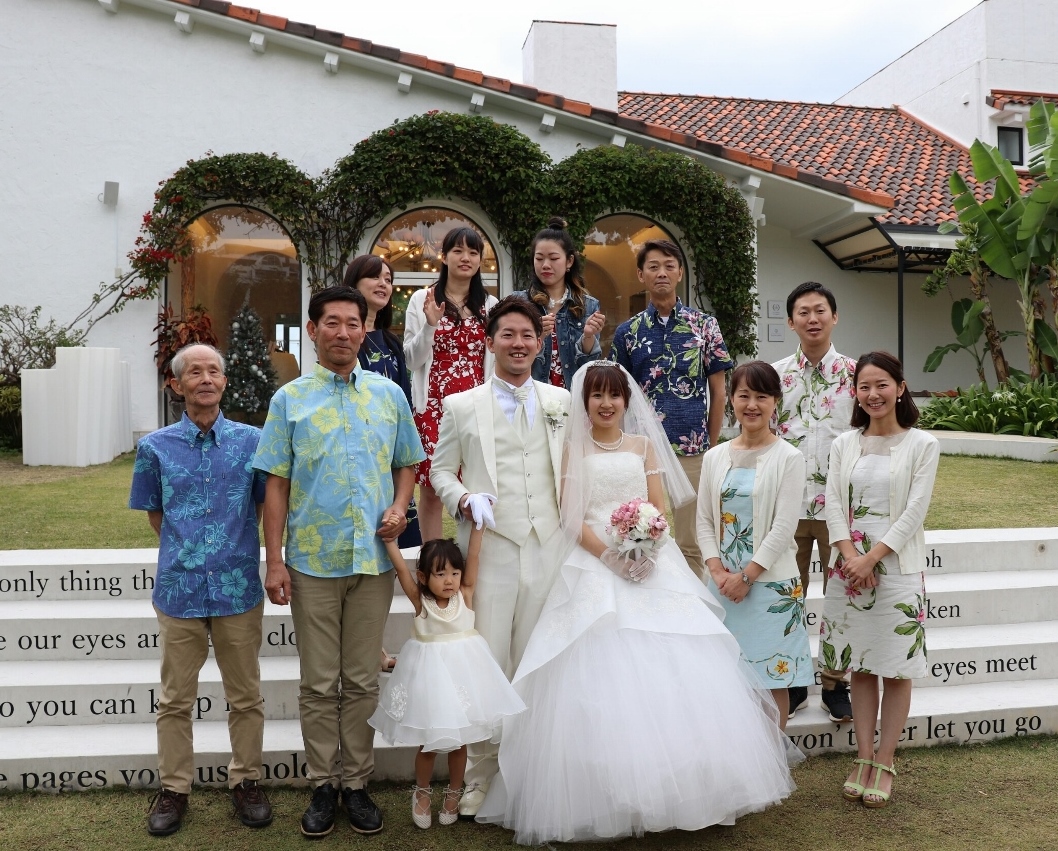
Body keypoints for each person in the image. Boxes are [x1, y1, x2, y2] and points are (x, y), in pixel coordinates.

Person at [476, 362, 798, 844]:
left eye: (615, 395)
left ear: (628, 401)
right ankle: (602, 794)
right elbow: (570, 517)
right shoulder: (570, 449)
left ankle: (688, 787)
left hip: (651, 563)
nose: (606, 404)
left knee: (678, 667)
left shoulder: (644, 446)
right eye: (596, 396)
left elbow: (658, 508)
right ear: (584, 403)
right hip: (593, 564)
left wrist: (646, 546)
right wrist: (611, 554)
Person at [253, 286, 425, 838]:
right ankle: (322, 785)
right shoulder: (290, 400)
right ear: (313, 329)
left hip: (372, 560)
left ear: (364, 330)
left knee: (361, 681)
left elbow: (407, 463)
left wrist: (401, 506)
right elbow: (274, 486)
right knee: (318, 682)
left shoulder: (388, 394)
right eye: (333, 323)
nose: (344, 332)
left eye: (354, 323)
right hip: (311, 560)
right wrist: (274, 561)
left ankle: (358, 784)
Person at [430, 295, 570, 818]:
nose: (518, 344)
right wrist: (464, 498)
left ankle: (535, 771)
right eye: (507, 334)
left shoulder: (562, 402)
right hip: (490, 553)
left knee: (540, 662)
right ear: (490, 341)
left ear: (539, 341)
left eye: (527, 335)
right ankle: (481, 775)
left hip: (550, 546)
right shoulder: (462, 405)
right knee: (489, 663)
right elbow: (441, 471)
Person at [128, 343, 272, 836]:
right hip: (179, 589)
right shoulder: (154, 448)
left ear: (225, 382)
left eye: (214, 370)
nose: (206, 378)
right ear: (176, 384)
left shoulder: (254, 443)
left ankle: (246, 781)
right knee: (174, 699)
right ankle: (173, 789)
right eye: (195, 372)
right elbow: (155, 514)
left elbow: (259, 508)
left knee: (246, 695)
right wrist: (192, 551)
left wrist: (225, 549)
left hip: (237, 588)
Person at [821, 351, 939, 808]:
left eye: (882, 385)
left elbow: (915, 511)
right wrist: (851, 557)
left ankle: (885, 761)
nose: (873, 394)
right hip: (848, 570)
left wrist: (872, 559)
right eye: (864, 387)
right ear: (855, 393)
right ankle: (863, 757)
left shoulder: (922, 445)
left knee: (896, 669)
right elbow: (832, 502)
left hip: (896, 569)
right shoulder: (843, 444)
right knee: (860, 666)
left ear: (901, 387)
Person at [369, 531, 525, 830]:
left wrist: (478, 528)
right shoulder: (421, 602)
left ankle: (454, 792)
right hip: (430, 681)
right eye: (440, 574)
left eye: (454, 572)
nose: (450, 580)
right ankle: (423, 791)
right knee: (429, 742)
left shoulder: (464, 596)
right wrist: (390, 542)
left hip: (464, 679)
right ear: (424, 577)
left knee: (459, 742)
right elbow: (401, 570)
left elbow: (474, 558)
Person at [696, 361, 812, 729]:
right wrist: (717, 570)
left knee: (771, 678)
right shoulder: (715, 456)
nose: (752, 404)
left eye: (762, 396)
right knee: (725, 676)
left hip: (770, 586)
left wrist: (746, 577)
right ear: (730, 399)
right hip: (721, 585)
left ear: (775, 402)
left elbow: (783, 528)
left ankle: (771, 766)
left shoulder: (789, 457)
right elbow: (704, 520)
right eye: (744, 395)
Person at [611, 239, 733, 578]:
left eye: (668, 265)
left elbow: (719, 391)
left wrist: (709, 443)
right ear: (641, 275)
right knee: (642, 534)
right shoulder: (628, 332)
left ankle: (691, 615)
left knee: (692, 540)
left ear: (680, 272)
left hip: (692, 448)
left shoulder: (705, 326)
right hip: (642, 452)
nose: (661, 272)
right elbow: (617, 393)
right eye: (653, 266)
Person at [773, 281, 857, 723]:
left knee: (840, 595)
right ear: (791, 321)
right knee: (787, 593)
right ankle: (791, 679)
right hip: (786, 507)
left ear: (834, 316)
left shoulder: (856, 375)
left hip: (839, 511)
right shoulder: (775, 375)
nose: (812, 318)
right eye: (803, 312)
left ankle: (834, 682)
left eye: (820, 310)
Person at [404, 227, 498, 542]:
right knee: (431, 487)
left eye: (473, 252)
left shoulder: (491, 305)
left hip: (476, 405)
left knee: (473, 483)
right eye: (457, 250)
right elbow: (411, 359)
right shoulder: (422, 299)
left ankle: (468, 559)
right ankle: (431, 558)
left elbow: (494, 363)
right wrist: (430, 324)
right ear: (444, 257)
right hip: (433, 405)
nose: (466, 258)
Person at [345, 253, 420, 551]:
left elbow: (404, 397)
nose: (383, 284)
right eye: (375, 277)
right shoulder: (346, 338)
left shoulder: (390, 341)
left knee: (399, 527)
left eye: (388, 280)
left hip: (392, 447)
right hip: (359, 443)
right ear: (354, 283)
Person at [512, 217, 605, 389]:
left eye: (553, 258)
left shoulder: (588, 305)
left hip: (573, 399)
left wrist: (588, 336)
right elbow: (510, 358)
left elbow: (590, 367)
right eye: (539, 259)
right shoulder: (518, 303)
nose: (545, 265)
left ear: (569, 261)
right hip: (530, 396)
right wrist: (536, 336)